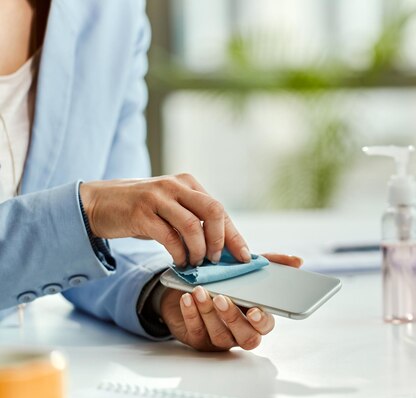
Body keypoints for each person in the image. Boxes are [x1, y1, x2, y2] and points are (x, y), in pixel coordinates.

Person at [0, 0, 302, 352]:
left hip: (34, 370)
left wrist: (166, 294)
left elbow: (113, 243)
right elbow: (88, 219)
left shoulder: (113, 13)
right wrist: (90, 210)